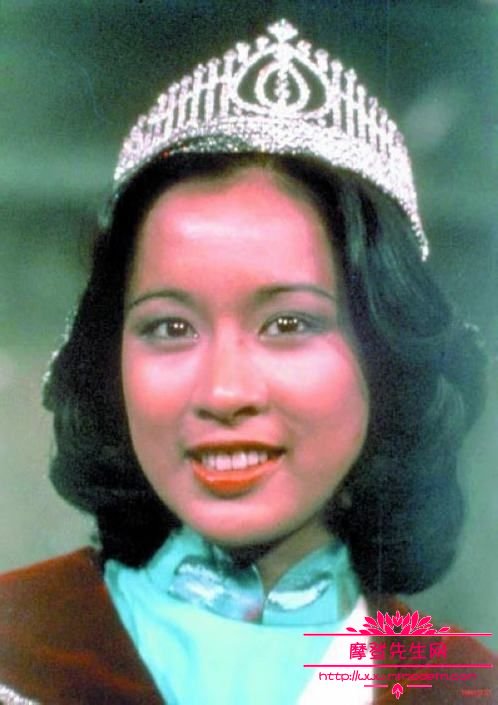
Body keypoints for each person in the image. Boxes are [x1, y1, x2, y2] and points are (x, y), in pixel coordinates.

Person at [0, 18, 495, 705]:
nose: (224, 391)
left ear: (386, 355)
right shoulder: (16, 645)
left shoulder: (463, 686)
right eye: (170, 327)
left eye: (288, 324)